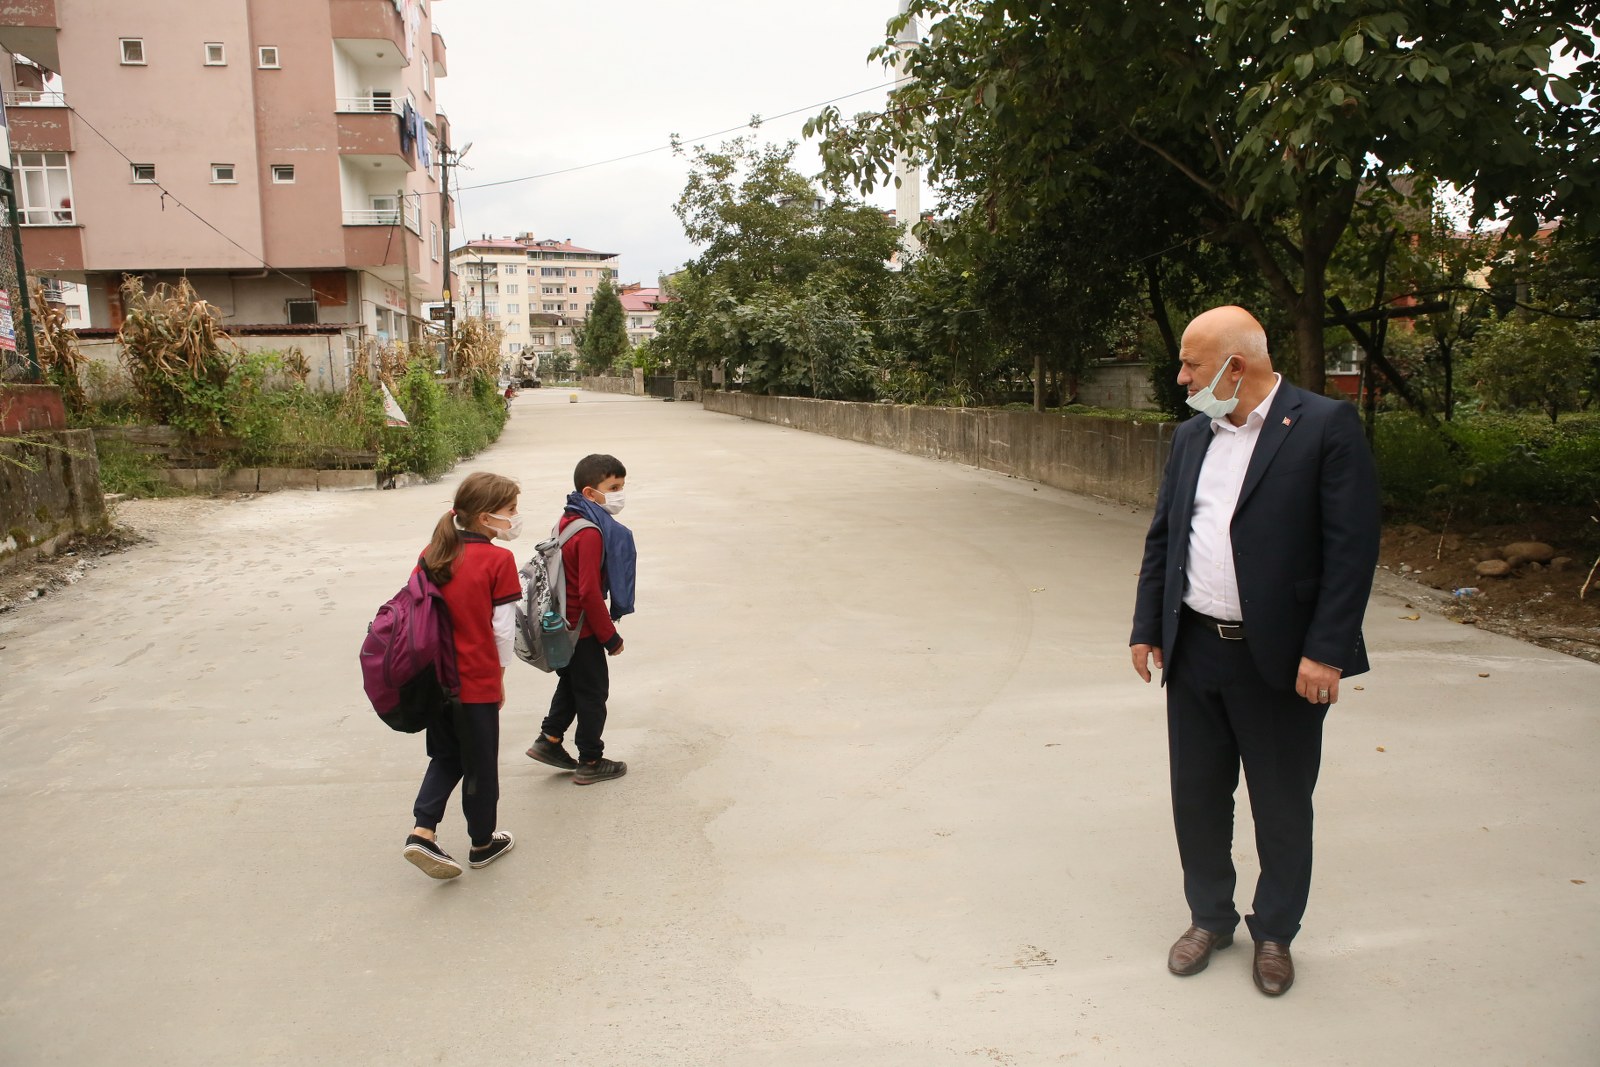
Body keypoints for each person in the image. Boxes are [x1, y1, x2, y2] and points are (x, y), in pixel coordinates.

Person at [1129, 306, 1380, 997]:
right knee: (1197, 798)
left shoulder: (1324, 426)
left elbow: (1352, 549)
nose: (1182, 378)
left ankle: (1275, 931)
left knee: (1281, 804)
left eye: (1191, 365)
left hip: (1281, 661)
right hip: (1194, 649)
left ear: (1235, 367)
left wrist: (1326, 651)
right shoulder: (1192, 436)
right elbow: (1165, 535)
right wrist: (1148, 625)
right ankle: (1209, 917)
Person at [402, 471, 524, 879]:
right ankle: (482, 843)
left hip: (435, 679)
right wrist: (499, 676)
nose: (515, 517)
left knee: (447, 754)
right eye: (510, 510)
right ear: (486, 518)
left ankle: (423, 830)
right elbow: (502, 630)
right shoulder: (499, 560)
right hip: (475, 681)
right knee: (480, 764)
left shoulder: (433, 552)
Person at [525, 453, 637, 785]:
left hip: (562, 625)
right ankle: (590, 759)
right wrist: (610, 637)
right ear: (590, 492)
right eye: (613, 488)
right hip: (581, 630)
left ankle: (550, 739)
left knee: (574, 684)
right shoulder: (590, 533)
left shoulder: (568, 519)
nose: (619, 494)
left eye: (622, 486)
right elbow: (589, 593)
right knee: (593, 693)